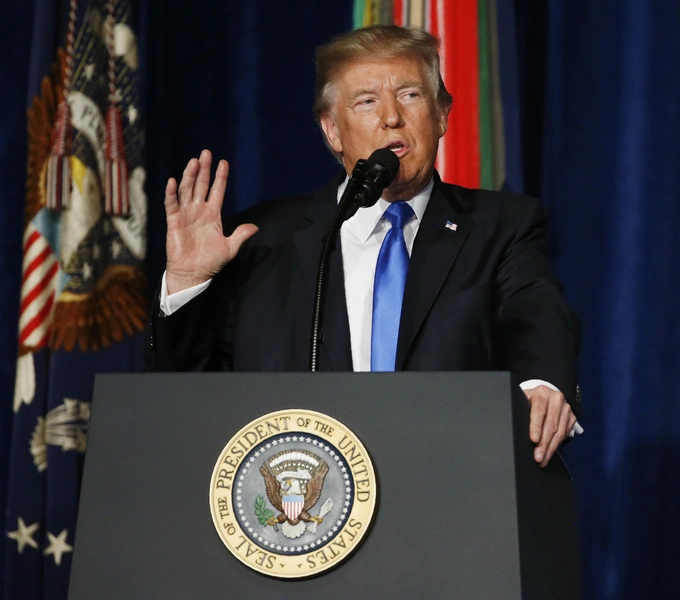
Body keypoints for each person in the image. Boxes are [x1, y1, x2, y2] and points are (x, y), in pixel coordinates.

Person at [146, 25, 581, 467]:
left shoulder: (502, 227)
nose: (391, 117)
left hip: (450, 491)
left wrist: (541, 384)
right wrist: (188, 283)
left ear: (443, 114)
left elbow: (535, 317)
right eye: (367, 101)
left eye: (410, 95)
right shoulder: (260, 240)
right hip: (300, 516)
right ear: (332, 130)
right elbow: (190, 400)